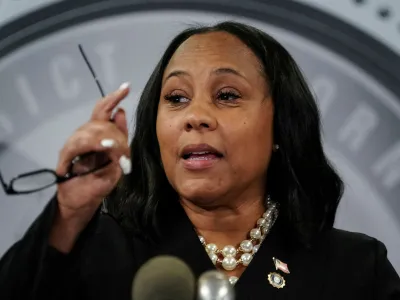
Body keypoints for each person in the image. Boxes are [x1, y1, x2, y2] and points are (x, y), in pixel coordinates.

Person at [0, 21, 399, 300]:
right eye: (176, 98)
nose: (195, 116)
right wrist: (70, 214)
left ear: (281, 126)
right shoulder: (94, 252)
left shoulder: (355, 268)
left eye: (227, 95)